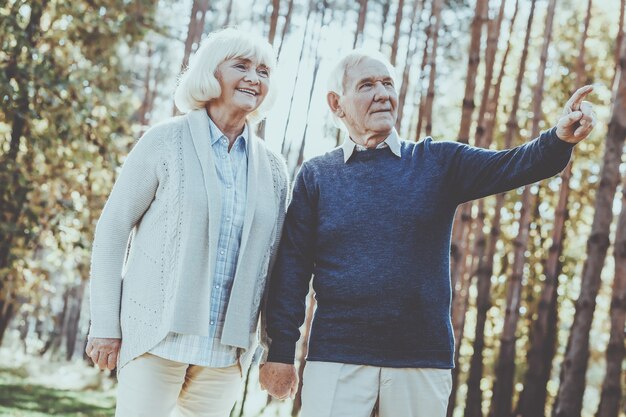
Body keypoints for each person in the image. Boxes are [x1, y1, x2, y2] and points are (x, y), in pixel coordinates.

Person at [259, 49, 597, 417]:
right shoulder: (316, 175)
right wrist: (280, 352)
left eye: (388, 84)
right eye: (367, 85)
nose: (383, 94)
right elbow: (291, 270)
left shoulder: (437, 161)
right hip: (337, 356)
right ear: (336, 104)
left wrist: (558, 139)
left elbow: (513, 165)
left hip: (422, 359)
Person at [86, 28, 288, 417]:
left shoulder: (274, 169)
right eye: (241, 66)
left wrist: (272, 346)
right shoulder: (165, 141)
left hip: (226, 353)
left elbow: (275, 266)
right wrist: (105, 325)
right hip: (155, 339)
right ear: (210, 73)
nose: (254, 78)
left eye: (263, 71)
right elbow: (112, 229)